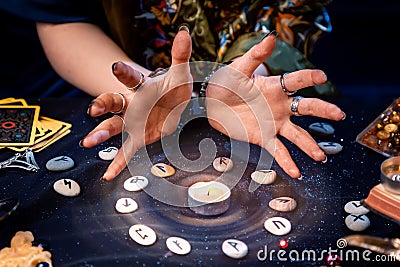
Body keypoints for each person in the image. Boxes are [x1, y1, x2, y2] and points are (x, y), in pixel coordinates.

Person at [0, 0, 345, 180]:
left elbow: (295, 11)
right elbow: (61, 17)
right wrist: (148, 88)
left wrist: (252, 74)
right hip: (121, 91)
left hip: (259, 104)